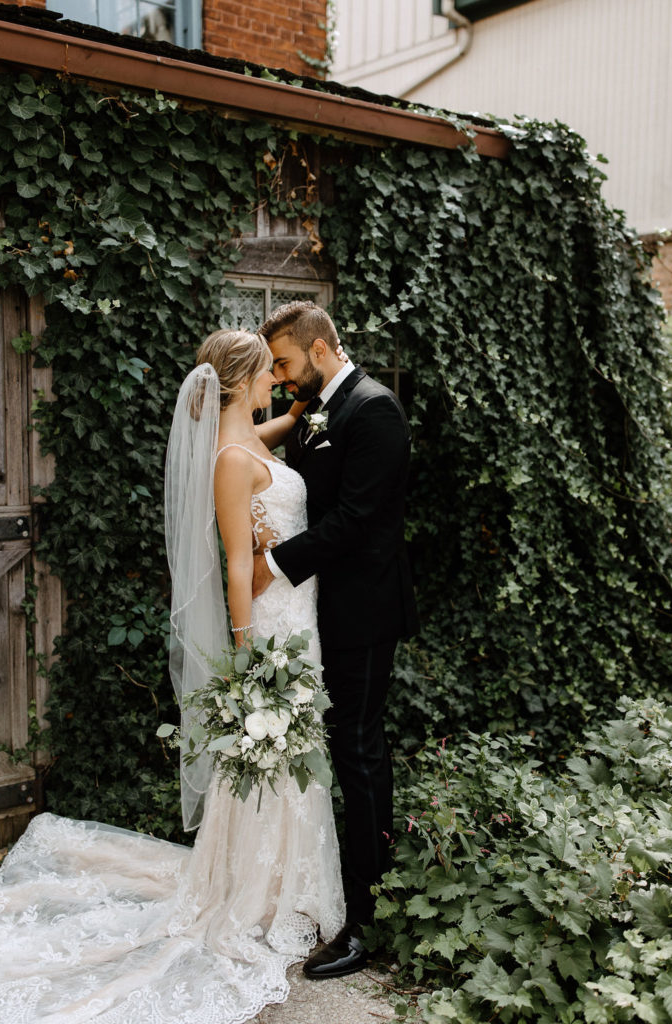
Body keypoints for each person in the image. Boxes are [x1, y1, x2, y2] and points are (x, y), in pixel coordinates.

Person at [0, 329, 345, 1024]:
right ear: (243, 380)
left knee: (291, 757)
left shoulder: (249, 440)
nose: (276, 381)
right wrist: (250, 658)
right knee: (271, 758)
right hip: (270, 632)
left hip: (298, 619)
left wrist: (316, 409)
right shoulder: (228, 459)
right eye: (268, 374)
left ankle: (287, 882)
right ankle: (259, 890)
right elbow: (236, 568)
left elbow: (276, 430)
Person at [253, 301, 418, 979]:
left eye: (286, 363)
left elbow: (353, 519)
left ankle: (369, 922)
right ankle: (330, 889)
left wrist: (268, 567)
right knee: (337, 749)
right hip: (319, 608)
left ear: (319, 351)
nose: (282, 379)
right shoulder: (321, 405)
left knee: (357, 749)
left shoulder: (373, 409)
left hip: (363, 612)